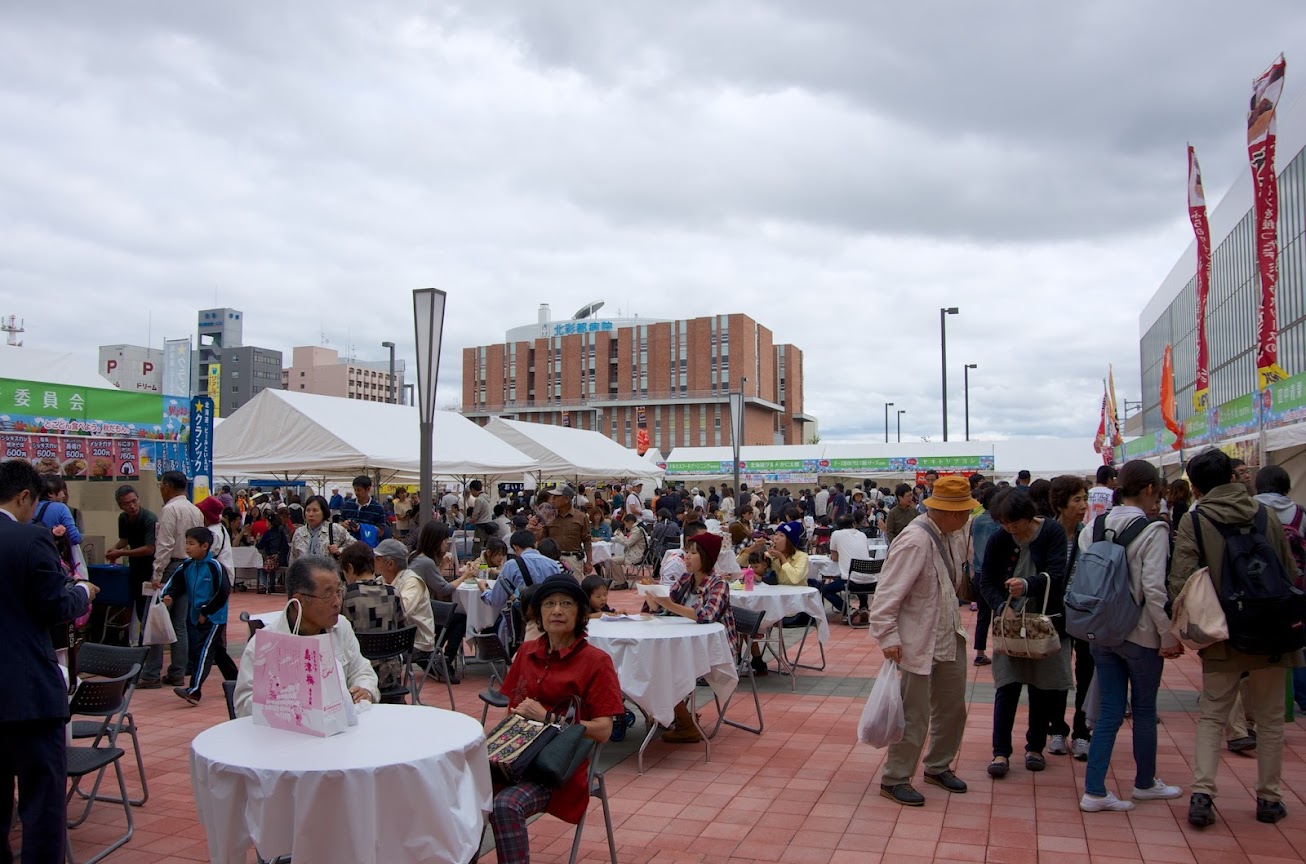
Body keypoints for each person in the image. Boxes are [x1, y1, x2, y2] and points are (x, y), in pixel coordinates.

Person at [1168, 447, 1302, 828]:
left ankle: (1203, 794)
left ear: (1195, 487)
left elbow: (1181, 581)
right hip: (1272, 630)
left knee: (1212, 715)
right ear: (1233, 476)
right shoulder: (1266, 515)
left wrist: (1185, 629)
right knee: (1271, 720)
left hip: (1222, 633)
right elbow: (1288, 569)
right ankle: (1269, 799)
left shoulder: (1195, 521)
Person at [0, 459, 96, 864]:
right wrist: (84, 593)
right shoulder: (29, 539)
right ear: (24, 497)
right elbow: (53, 604)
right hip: (28, 695)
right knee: (41, 804)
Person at [488, 579, 622, 864]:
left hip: (557, 767)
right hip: (515, 759)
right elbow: (511, 711)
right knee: (460, 791)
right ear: (538, 614)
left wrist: (550, 719)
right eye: (549, 604)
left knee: (505, 804)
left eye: (566, 604)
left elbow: (604, 730)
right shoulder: (526, 652)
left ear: (580, 613)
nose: (557, 611)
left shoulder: (596, 661)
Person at [1076, 461, 1184, 812]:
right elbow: (1154, 588)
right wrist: (1167, 635)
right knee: (1143, 709)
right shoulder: (1154, 530)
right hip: (1140, 633)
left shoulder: (1093, 525)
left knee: (1108, 711)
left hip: (1102, 630)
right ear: (1151, 489)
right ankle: (1145, 782)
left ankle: (1094, 790)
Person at [866, 475, 974, 806]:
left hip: (948, 634)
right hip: (916, 640)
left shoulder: (952, 536)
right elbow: (886, 595)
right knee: (914, 714)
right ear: (954, 512)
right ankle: (895, 777)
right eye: (965, 511)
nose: (969, 516)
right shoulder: (915, 540)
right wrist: (888, 636)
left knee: (953, 708)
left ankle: (938, 766)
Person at [977, 487, 1069, 779]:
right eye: (1004, 523)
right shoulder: (999, 538)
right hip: (1011, 624)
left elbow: (1057, 573)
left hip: (1043, 622)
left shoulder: (1052, 532)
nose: (1010, 529)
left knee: (1042, 687)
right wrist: (1000, 606)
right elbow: (987, 580)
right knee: (1007, 685)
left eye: (1014, 523)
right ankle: (1000, 752)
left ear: (1028, 515)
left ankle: (1035, 748)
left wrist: (1028, 585)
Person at [233, 556, 379, 717]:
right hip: (287, 736)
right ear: (298, 602)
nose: (337, 602)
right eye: (327, 594)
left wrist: (365, 690)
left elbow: (362, 670)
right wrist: (286, 703)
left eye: (339, 591)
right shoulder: (265, 646)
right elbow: (243, 706)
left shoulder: (341, 627)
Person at [642, 532, 736, 743]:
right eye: (686, 552)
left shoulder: (718, 584)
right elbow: (666, 611)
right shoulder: (686, 580)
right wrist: (653, 598)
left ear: (707, 557)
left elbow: (707, 615)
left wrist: (669, 604)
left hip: (713, 650)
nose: (687, 557)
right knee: (650, 661)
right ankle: (670, 713)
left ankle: (684, 722)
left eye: (693, 553)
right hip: (684, 645)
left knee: (662, 668)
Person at [1045, 474, 1095, 760]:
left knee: (1086, 673)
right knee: (1058, 675)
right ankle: (1056, 730)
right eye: (1077, 500)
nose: (1082, 505)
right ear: (1061, 503)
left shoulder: (1089, 534)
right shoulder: (1048, 534)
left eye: (1084, 499)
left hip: (1085, 614)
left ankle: (1081, 733)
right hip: (1055, 614)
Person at [141, 470, 203, 689]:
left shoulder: (170, 509)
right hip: (191, 566)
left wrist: (157, 573)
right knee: (180, 623)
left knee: (156, 619)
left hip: (172, 567)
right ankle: (177, 671)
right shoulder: (195, 510)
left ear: (167, 486)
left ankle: (150, 673)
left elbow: (164, 544)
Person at [164, 526, 237, 705]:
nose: (187, 547)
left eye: (191, 544)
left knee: (203, 652)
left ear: (204, 546)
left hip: (214, 617)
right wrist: (168, 596)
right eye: (186, 543)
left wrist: (207, 611)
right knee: (217, 651)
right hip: (196, 615)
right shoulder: (187, 565)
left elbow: (223, 591)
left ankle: (194, 691)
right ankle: (237, 681)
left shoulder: (215, 567)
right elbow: (175, 584)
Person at [339, 542, 408, 691]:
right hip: (390, 674)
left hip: (355, 676)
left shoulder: (345, 596)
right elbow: (403, 627)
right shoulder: (393, 593)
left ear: (350, 568)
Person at [405, 523, 471, 680]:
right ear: (436, 541)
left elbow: (433, 581)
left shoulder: (416, 557)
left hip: (419, 609)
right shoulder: (426, 562)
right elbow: (445, 589)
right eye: (444, 540)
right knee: (460, 618)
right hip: (421, 614)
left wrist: (442, 566)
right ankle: (445, 659)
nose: (446, 544)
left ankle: (435, 655)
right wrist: (465, 576)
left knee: (450, 617)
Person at [479, 530, 565, 649]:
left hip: (524, 621)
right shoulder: (553, 564)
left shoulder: (512, 565)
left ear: (515, 547)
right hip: (549, 618)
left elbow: (496, 599)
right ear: (535, 544)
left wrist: (484, 590)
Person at [372, 539, 438, 668]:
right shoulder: (381, 580)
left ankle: (388, 685)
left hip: (416, 643)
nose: (373, 560)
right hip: (393, 639)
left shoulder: (412, 582)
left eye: (378, 558)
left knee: (375, 657)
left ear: (390, 564)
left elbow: (401, 612)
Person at [106, 484, 157, 642]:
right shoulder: (123, 518)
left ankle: (147, 643)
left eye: (134, 501)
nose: (132, 506)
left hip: (151, 568)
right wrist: (113, 549)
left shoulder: (149, 519)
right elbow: (125, 539)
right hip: (134, 567)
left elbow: (150, 548)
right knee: (134, 604)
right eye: (127, 503)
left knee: (146, 608)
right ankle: (134, 640)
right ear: (121, 506)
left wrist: (121, 553)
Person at [969, 484, 1000, 667]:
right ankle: (1001, 650)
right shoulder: (1000, 522)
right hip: (997, 574)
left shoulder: (976, 520)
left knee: (983, 615)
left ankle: (980, 653)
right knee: (1000, 613)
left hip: (979, 573)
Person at [823, 515, 874, 623]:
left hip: (851, 581)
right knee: (860, 576)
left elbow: (835, 558)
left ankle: (847, 609)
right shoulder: (862, 535)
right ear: (853, 524)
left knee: (825, 590)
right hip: (871, 581)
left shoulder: (836, 534)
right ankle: (863, 607)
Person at [543, 486, 593, 576]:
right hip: (553, 560)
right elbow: (543, 538)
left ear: (566, 499)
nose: (552, 500)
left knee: (576, 587)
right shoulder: (549, 517)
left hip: (574, 559)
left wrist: (589, 562)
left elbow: (587, 540)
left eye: (556, 497)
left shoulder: (581, 517)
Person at [290, 495, 350, 563]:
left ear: (323, 512)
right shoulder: (299, 533)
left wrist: (340, 550)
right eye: (308, 510)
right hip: (304, 572)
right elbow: (293, 559)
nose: (311, 514)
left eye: (315, 510)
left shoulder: (335, 529)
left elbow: (354, 546)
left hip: (329, 572)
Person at [196, 496, 235, 584]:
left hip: (216, 576)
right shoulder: (220, 528)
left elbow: (207, 554)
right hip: (223, 574)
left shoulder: (212, 532)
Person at [341, 474, 389, 542]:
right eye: (355, 490)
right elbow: (340, 523)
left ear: (368, 489)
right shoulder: (348, 504)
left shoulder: (378, 508)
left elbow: (381, 532)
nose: (356, 493)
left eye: (359, 490)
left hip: (368, 546)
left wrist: (362, 528)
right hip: (348, 544)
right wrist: (344, 524)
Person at [255, 510, 291, 594]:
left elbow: (260, 546)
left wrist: (257, 541)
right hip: (282, 558)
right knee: (269, 562)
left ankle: (263, 585)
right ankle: (271, 585)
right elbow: (285, 546)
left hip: (272, 559)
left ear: (270, 523)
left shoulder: (268, 533)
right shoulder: (281, 532)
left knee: (261, 564)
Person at [766, 521, 810, 586]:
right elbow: (751, 565)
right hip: (778, 594)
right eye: (776, 534)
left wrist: (782, 557)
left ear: (790, 542)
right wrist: (754, 548)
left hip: (797, 594)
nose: (776, 538)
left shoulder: (802, 556)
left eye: (781, 535)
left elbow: (795, 578)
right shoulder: (771, 555)